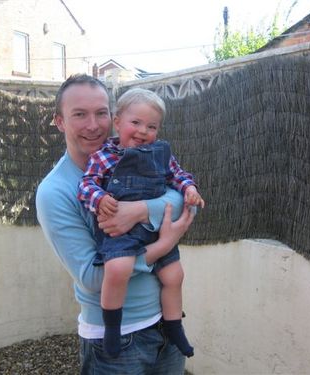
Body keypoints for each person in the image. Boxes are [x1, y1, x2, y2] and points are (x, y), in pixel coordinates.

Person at [36, 74, 196, 374]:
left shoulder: (140, 155)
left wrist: (138, 211)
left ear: (114, 118)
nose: (93, 125)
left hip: (166, 325)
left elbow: (186, 205)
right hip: (118, 342)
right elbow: (93, 278)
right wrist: (163, 244)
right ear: (60, 122)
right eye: (79, 114)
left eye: (100, 113)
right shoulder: (55, 191)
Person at [78, 88, 204, 359]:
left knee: (174, 276)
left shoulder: (161, 154)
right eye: (136, 123)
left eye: (151, 126)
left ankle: (174, 328)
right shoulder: (103, 156)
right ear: (118, 122)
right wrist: (99, 199)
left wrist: (189, 188)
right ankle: (112, 328)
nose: (143, 131)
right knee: (119, 268)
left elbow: (177, 175)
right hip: (121, 234)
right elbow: (86, 185)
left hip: (155, 229)